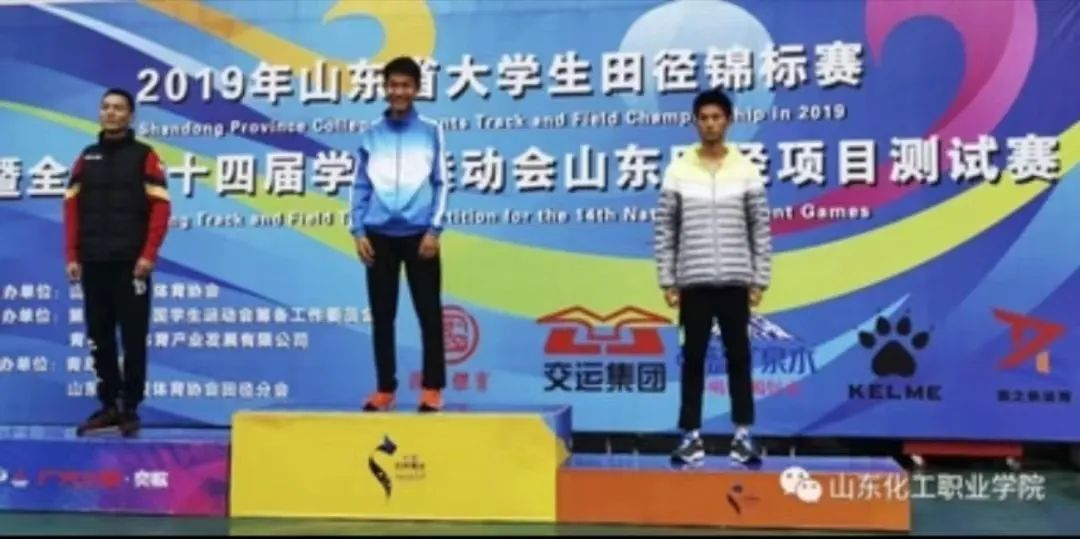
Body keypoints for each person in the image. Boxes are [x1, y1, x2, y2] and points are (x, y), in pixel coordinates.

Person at [654, 88, 772, 466]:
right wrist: (668, 280)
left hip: (736, 281)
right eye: (703, 118)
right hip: (694, 282)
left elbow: (760, 227)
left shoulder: (746, 169)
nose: (710, 124)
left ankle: (743, 436)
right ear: (695, 122)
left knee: (740, 357)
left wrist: (759, 279)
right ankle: (691, 437)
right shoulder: (678, 170)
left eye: (716, 117)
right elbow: (665, 228)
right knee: (693, 359)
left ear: (728, 121)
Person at [65, 88, 171, 437]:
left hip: (131, 264)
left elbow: (161, 208)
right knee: (99, 336)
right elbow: (71, 209)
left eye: (119, 108)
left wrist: (148, 254)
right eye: (106, 107)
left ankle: (130, 408)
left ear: (130, 116)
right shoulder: (87, 157)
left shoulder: (145, 156)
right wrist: (72, 255)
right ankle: (109, 405)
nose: (111, 113)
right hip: (94, 262)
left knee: (133, 337)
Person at [350, 56, 450, 413]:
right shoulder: (370, 133)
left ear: (417, 89)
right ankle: (384, 389)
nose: (399, 91)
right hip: (378, 236)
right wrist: (358, 229)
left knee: (429, 313)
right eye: (393, 85)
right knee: (382, 316)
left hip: (420, 236)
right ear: (385, 88)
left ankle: (432, 388)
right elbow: (360, 185)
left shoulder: (431, 131)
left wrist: (434, 229)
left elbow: (442, 182)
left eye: (406, 85)